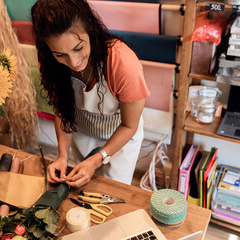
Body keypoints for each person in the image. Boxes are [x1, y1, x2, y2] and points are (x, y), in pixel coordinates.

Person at [31, 0, 150, 188]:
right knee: (85, 188)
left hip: (121, 136)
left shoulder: (122, 63)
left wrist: (97, 159)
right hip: (82, 133)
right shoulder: (48, 62)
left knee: (112, 191)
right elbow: (63, 111)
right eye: (60, 54)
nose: (73, 62)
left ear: (90, 28)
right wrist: (62, 156)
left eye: (78, 48)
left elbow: (129, 125)